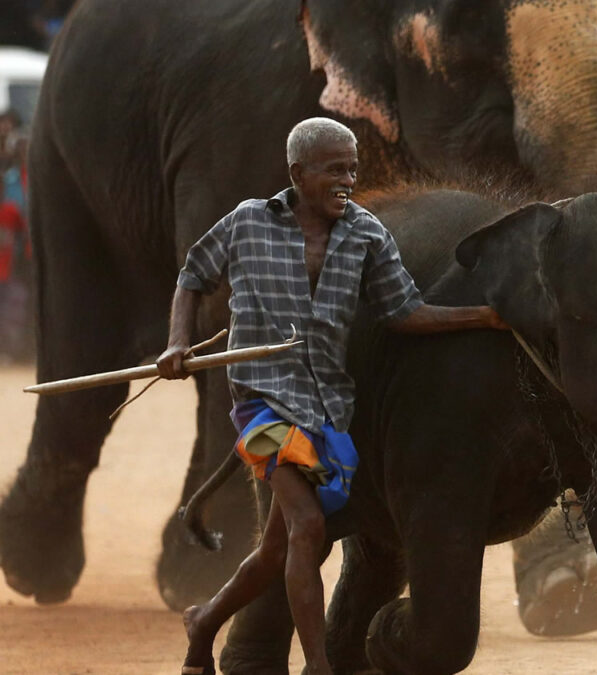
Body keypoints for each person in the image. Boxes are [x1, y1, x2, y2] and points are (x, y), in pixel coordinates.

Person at [158, 117, 507, 675]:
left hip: (328, 410)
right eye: (333, 170)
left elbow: (407, 313)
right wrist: (177, 343)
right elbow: (192, 277)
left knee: (278, 549)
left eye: (352, 168)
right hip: (261, 403)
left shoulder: (367, 233)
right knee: (308, 526)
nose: (347, 179)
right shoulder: (248, 222)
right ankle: (319, 664)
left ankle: (205, 619)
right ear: (298, 173)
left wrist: (486, 315)